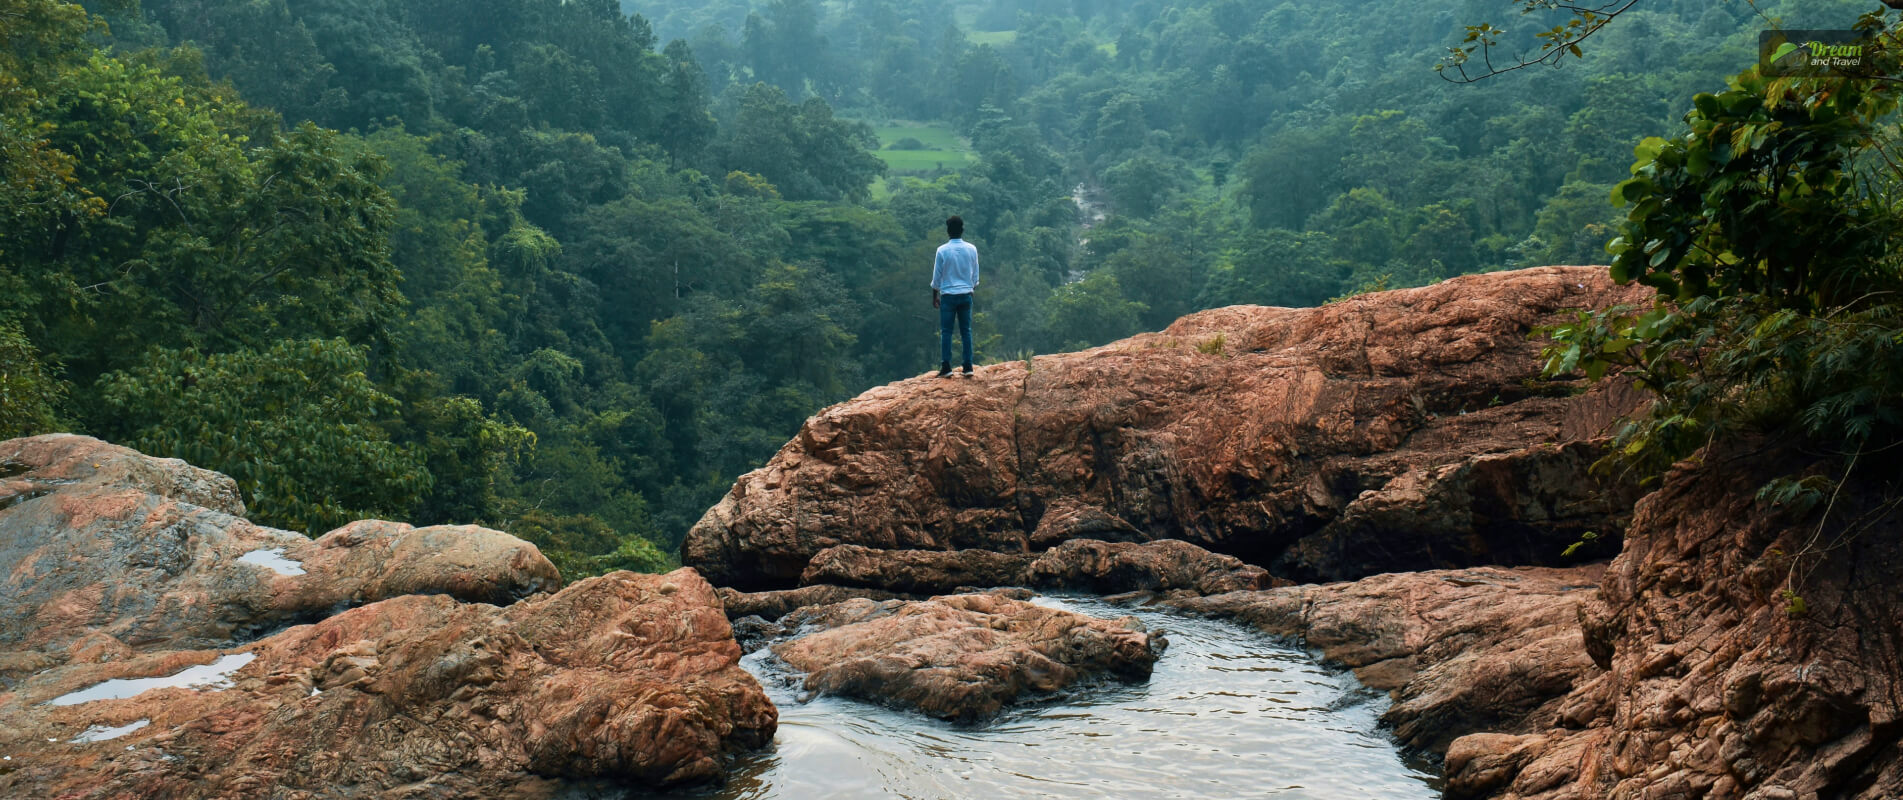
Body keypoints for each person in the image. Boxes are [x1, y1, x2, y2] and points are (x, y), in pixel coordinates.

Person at [930, 215, 979, 378]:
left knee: (946, 332)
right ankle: (968, 366)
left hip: (948, 296)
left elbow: (937, 277)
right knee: (966, 331)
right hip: (966, 294)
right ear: (962, 230)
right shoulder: (972, 249)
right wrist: (970, 288)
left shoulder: (942, 250)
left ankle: (946, 366)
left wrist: (934, 295)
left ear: (948, 231)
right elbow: (975, 274)